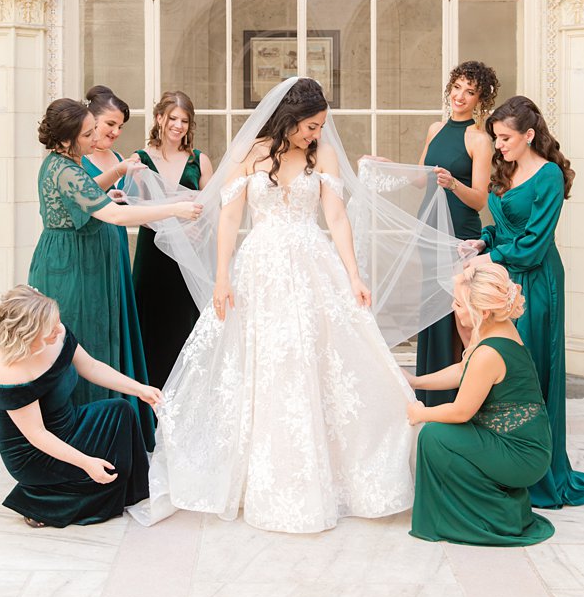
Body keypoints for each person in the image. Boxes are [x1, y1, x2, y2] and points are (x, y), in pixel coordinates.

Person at [141, 77, 454, 533]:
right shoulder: (250, 153)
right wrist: (222, 276)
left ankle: (343, 472)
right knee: (265, 363)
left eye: (320, 126)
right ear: (289, 119)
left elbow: (335, 216)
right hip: (260, 268)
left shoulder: (322, 154)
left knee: (323, 362)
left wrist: (352, 274)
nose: (316, 134)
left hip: (312, 265)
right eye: (310, 126)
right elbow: (229, 217)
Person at [459, 96, 584, 509]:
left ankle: (537, 471)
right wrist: (482, 240)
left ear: (529, 134)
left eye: (505, 138)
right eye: (495, 138)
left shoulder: (547, 177)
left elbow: (534, 245)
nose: (499, 145)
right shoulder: (505, 168)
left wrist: (492, 256)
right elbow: (504, 227)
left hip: (537, 283)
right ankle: (500, 462)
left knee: (528, 371)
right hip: (504, 276)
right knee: (496, 368)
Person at [27, 99, 200, 442]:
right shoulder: (66, 171)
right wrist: (173, 208)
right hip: (70, 268)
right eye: (88, 134)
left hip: (78, 261)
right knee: (78, 345)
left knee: (90, 342)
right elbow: (116, 216)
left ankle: (93, 431)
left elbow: (90, 191)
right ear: (65, 140)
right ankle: (82, 436)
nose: (95, 139)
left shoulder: (63, 164)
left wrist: (115, 176)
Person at [406, 261, 555, 546]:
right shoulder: (495, 329)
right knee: (439, 434)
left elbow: (461, 412)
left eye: (459, 304)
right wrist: (416, 381)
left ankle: (487, 516)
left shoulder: (489, 350)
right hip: (519, 443)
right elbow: (464, 371)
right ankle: (483, 508)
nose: (454, 307)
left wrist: (421, 412)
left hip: (522, 455)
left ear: (482, 311)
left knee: (434, 436)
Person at [0, 286, 159, 528]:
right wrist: (86, 462)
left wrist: (140, 389)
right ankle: (39, 502)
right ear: (29, 334)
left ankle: (131, 492)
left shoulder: (56, 334)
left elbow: (91, 367)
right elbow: (37, 434)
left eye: (57, 321)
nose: (59, 329)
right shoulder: (11, 372)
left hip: (69, 423)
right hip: (33, 453)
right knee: (98, 472)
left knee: (121, 410)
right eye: (50, 327)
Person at [409, 62, 498, 405]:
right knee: (430, 308)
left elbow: (479, 199)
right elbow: (419, 178)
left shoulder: (480, 140)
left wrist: (453, 183)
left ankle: (456, 396)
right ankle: (430, 392)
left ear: (480, 100)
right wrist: (384, 165)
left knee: (455, 309)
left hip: (459, 232)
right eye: (457, 87)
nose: (460, 96)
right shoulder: (435, 129)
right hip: (428, 227)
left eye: (470, 92)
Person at [79, 85, 153, 437]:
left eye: (120, 126)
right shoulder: (78, 158)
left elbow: (111, 202)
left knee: (117, 320)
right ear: (90, 119)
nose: (115, 132)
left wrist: (119, 196)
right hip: (90, 250)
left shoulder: (117, 156)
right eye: (110, 123)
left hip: (116, 243)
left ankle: (124, 411)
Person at [131, 91, 214, 388]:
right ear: (159, 119)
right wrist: (172, 223)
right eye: (173, 119)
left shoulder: (199, 161)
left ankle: (184, 396)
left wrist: (197, 224)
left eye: (184, 120)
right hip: (152, 255)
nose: (178, 126)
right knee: (149, 322)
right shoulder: (139, 160)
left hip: (187, 258)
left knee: (184, 324)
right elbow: (132, 208)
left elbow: (211, 207)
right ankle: (148, 398)